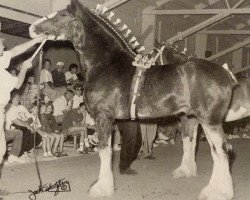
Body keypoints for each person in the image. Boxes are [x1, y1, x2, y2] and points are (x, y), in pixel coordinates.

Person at [5, 93, 42, 163]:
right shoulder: (9, 108)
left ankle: (23, 151)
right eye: (16, 99)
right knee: (24, 131)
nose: (18, 100)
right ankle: (19, 154)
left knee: (38, 137)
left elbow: (30, 117)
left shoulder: (21, 107)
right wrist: (27, 126)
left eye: (19, 99)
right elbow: (16, 121)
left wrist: (27, 123)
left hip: (25, 126)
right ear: (10, 99)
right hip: (14, 128)